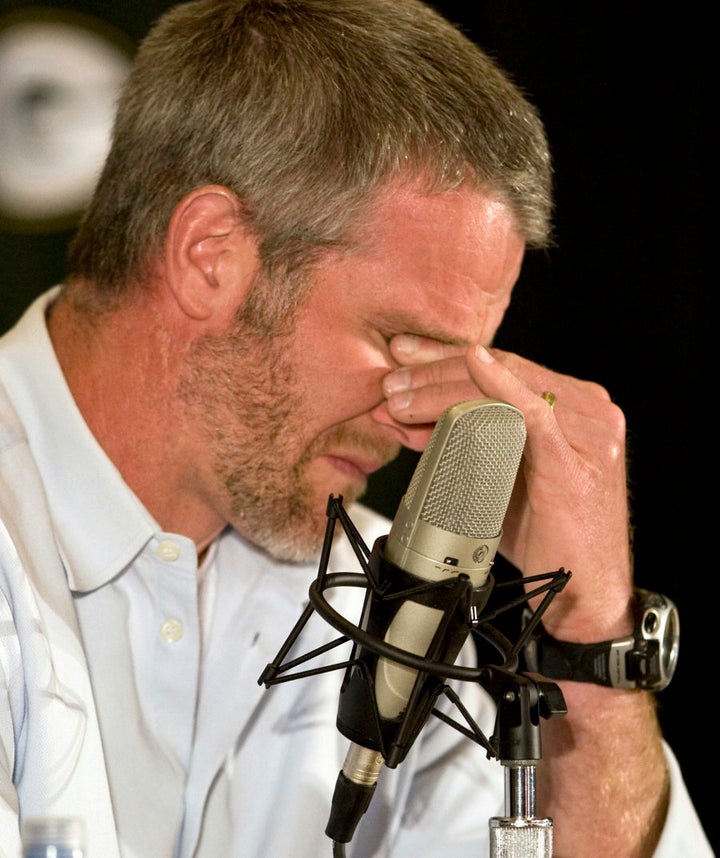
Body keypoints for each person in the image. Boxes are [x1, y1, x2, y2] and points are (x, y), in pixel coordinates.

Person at [0, 0, 711, 856]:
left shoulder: (378, 594)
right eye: (400, 343)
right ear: (211, 254)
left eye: (461, 369)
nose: (424, 420)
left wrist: (592, 640)